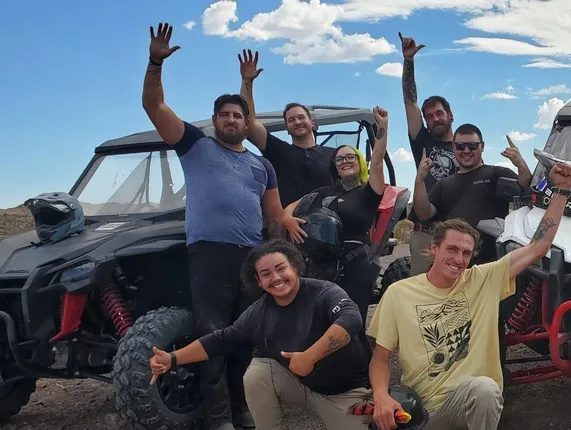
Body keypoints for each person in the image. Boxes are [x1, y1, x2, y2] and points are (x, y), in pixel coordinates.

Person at [142, 23, 304, 429]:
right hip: (210, 253)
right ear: (215, 119)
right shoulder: (194, 145)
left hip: (251, 257)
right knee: (212, 333)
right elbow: (154, 107)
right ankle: (218, 418)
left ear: (246, 123)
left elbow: (273, 215)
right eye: (225, 114)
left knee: (244, 335)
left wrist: (280, 256)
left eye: (238, 115)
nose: (232, 119)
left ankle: (242, 408)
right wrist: (155, 61)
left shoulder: (260, 164)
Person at [366, 161, 571, 430]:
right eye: (452, 249)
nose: (458, 259)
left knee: (485, 389)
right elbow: (380, 358)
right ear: (434, 249)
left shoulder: (483, 280)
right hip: (422, 409)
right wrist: (381, 397)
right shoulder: (399, 293)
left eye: (466, 253)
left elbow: (538, 247)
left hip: (469, 403)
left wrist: (561, 191)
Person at [148, 239, 375, 430]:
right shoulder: (257, 313)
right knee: (257, 373)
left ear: (294, 266)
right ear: (258, 281)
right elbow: (221, 340)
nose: (275, 278)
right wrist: (172, 358)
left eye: (281, 268)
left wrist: (310, 356)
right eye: (266, 274)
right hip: (303, 386)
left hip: (346, 392)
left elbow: (351, 319)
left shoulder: (324, 292)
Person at [282, 106, 391, 321]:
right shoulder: (324, 192)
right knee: (321, 321)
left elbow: (377, 160)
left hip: (356, 266)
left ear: (359, 161)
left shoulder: (370, 191)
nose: (345, 161)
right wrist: (287, 220)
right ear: (335, 167)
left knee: (350, 322)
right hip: (322, 267)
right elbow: (291, 207)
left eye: (350, 156)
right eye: (339, 159)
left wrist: (383, 126)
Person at [411, 124, 533, 266]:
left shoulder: (497, 174)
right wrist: (419, 180)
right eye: (461, 146)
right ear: (453, 147)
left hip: (493, 264)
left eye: (472, 146)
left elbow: (527, 189)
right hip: (455, 264)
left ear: (482, 146)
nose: (466, 150)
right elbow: (423, 214)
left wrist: (521, 165)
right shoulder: (443, 185)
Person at [238, 49, 337, 211]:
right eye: (291, 120)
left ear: (312, 123)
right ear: (287, 129)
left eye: (301, 117)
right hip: (289, 227)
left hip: (328, 228)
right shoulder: (279, 151)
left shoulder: (334, 155)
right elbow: (249, 124)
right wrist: (247, 81)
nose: (297, 122)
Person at [398, 32, 461, 276]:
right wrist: (408, 62)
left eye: (439, 113)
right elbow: (409, 102)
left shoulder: (466, 147)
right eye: (430, 116)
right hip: (425, 235)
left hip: (456, 234)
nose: (434, 119)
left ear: (450, 115)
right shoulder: (421, 140)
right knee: (421, 297)